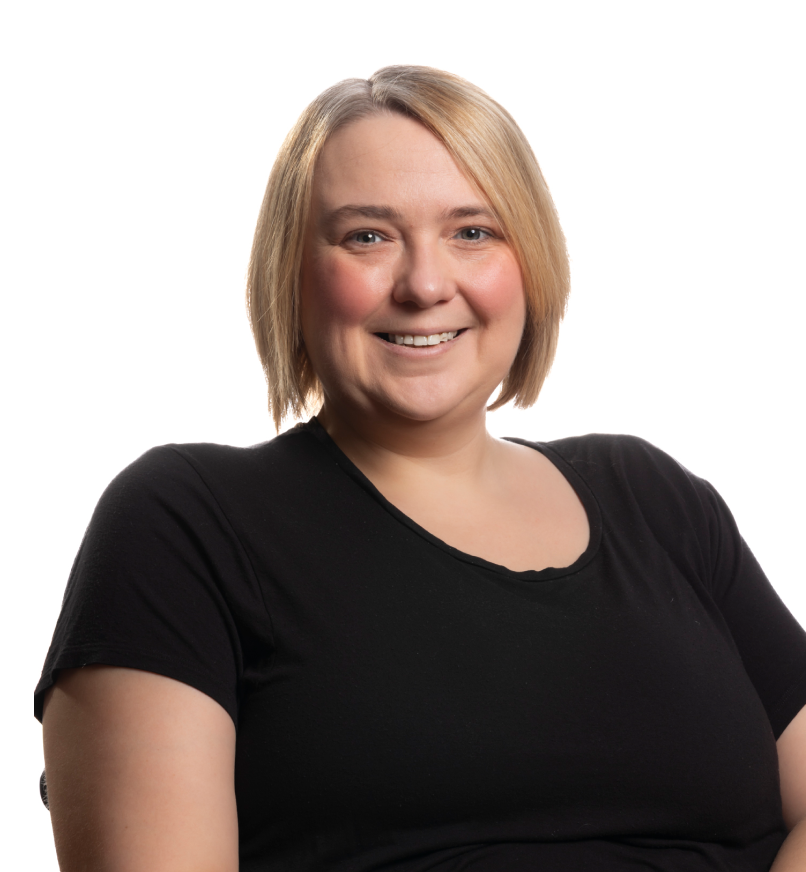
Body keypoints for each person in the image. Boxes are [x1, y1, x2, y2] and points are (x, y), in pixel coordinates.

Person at [35, 65, 806, 872]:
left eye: (473, 232)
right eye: (367, 235)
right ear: (292, 274)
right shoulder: (185, 524)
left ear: (530, 263)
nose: (426, 284)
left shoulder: (656, 501)